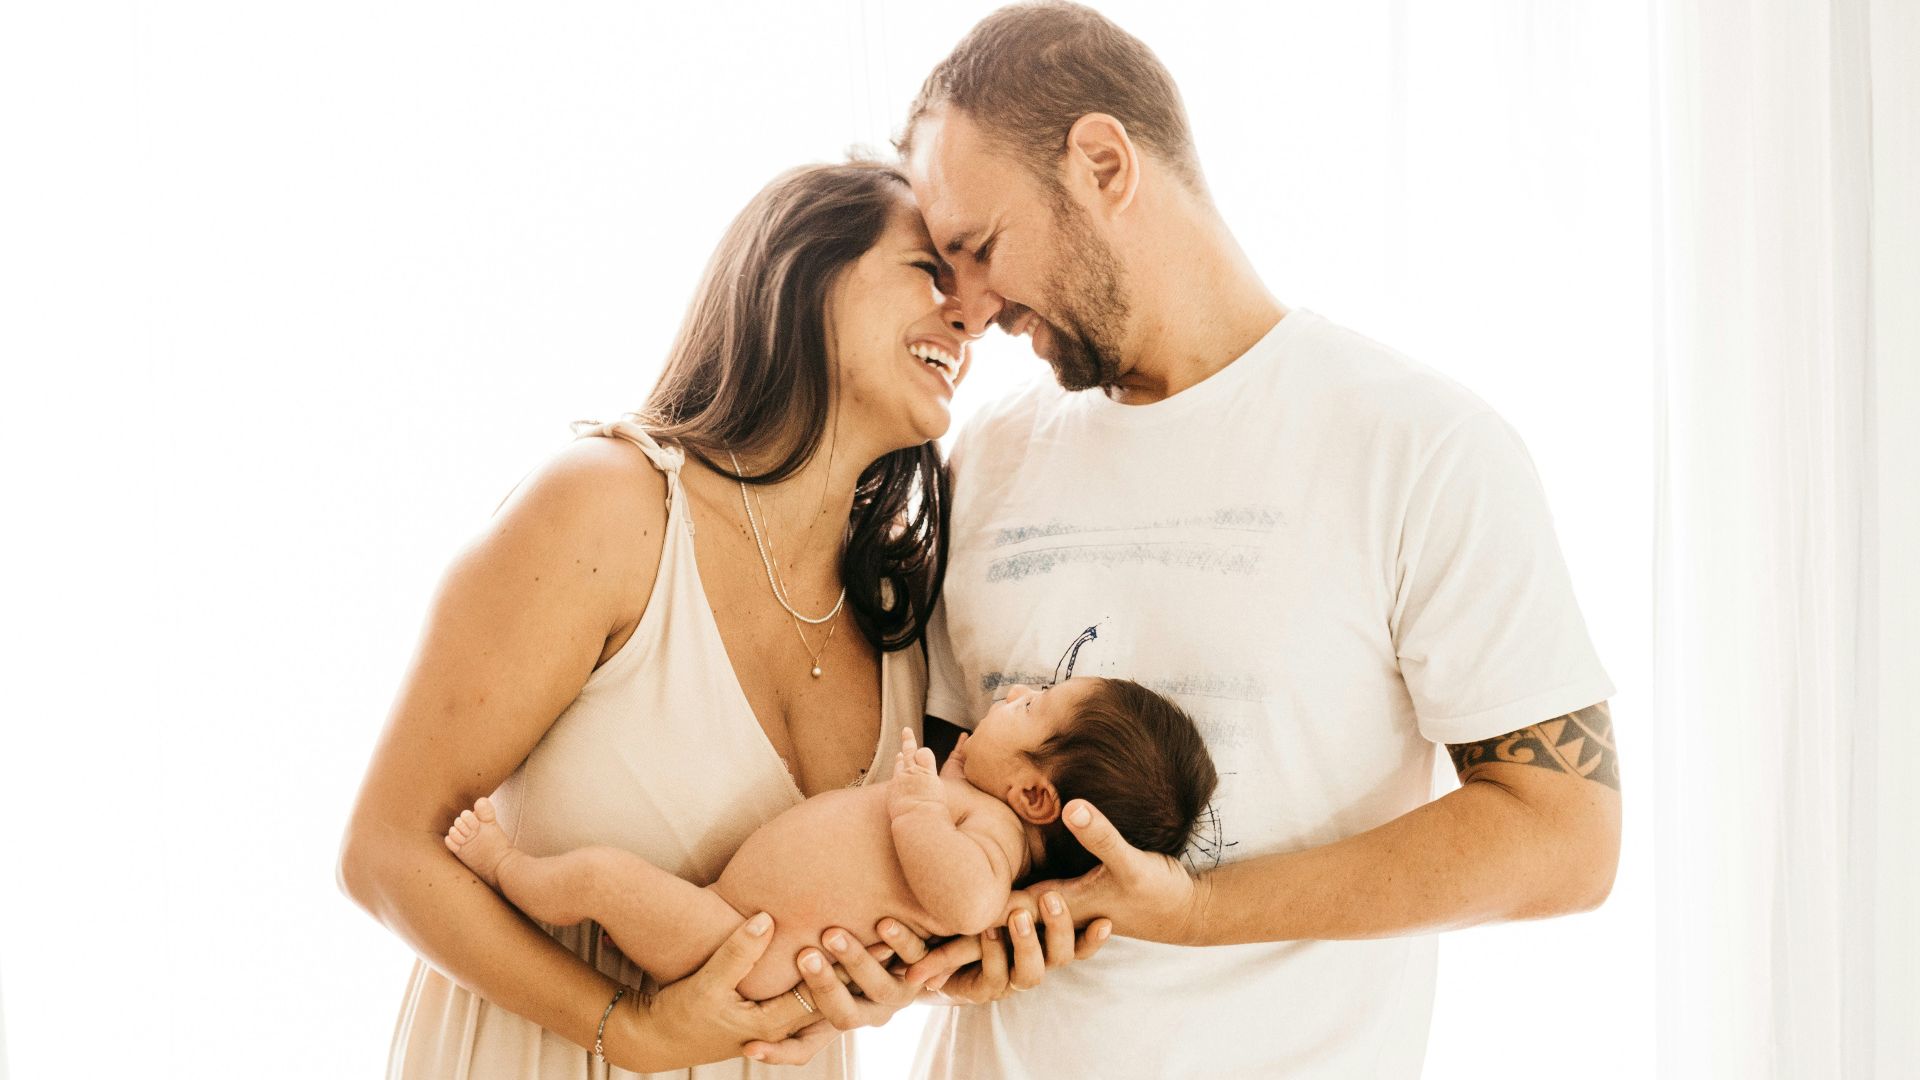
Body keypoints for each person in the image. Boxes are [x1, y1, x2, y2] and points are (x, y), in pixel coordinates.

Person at [893, 4, 1623, 1078]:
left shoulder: (1420, 445)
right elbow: (955, 794)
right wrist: (949, 936)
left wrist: (1191, 910)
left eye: (982, 248)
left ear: (1102, 162)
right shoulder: (989, 454)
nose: (972, 307)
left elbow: (1566, 836)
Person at [336, 159, 1099, 1079]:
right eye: (929, 273)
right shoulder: (608, 510)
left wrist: (912, 979)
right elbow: (383, 851)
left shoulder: (899, 615)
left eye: (974, 295)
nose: (973, 316)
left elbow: (876, 894)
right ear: (803, 276)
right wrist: (633, 1030)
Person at [442, 676, 1216, 1001]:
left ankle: (504, 864)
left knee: (603, 879)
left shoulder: (992, 841)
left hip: (741, 949)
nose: (1012, 693)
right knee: (613, 881)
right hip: (730, 922)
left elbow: (969, 901)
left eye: (1033, 706)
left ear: (1037, 797)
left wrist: (917, 806)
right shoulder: (978, 801)